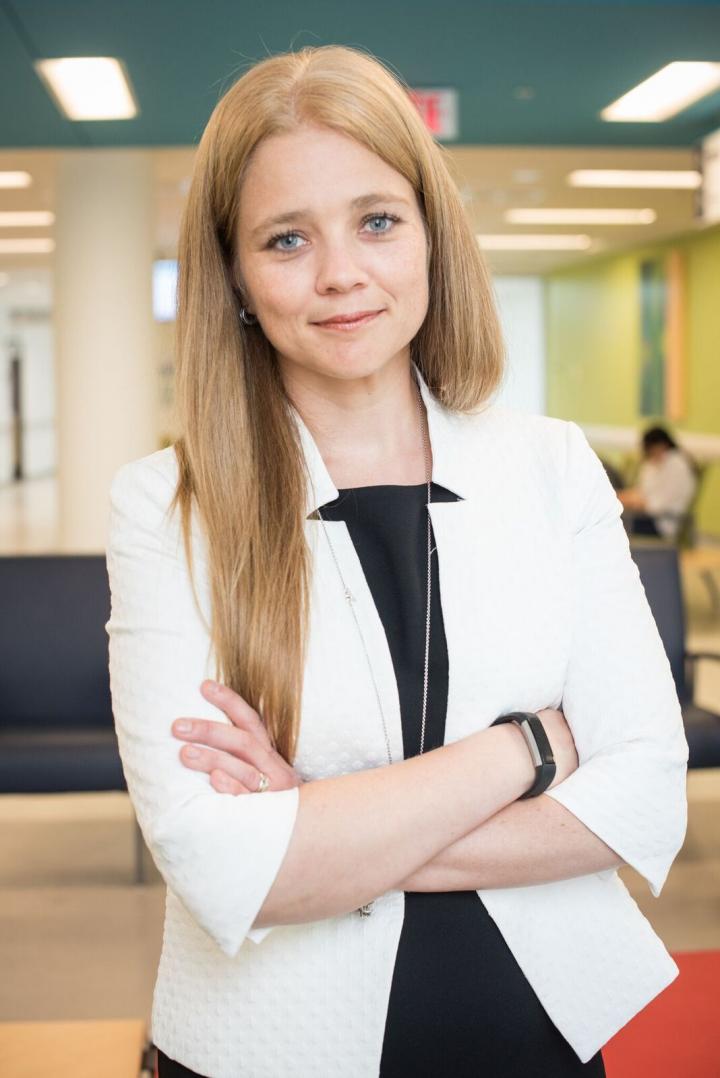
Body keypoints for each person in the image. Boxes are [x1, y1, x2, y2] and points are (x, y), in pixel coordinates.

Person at [105, 46, 689, 1078]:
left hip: (535, 1034)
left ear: (430, 234)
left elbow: (645, 796)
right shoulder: (166, 506)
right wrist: (528, 751)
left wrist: (314, 826)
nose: (341, 273)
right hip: (268, 1047)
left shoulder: (550, 466)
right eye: (287, 238)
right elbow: (222, 865)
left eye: (377, 221)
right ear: (234, 275)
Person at [618, 425, 698, 540]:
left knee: (612, 523)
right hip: (647, 517)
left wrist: (635, 502)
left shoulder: (678, 466)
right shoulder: (653, 464)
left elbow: (658, 505)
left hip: (662, 524)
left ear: (662, 445)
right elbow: (643, 491)